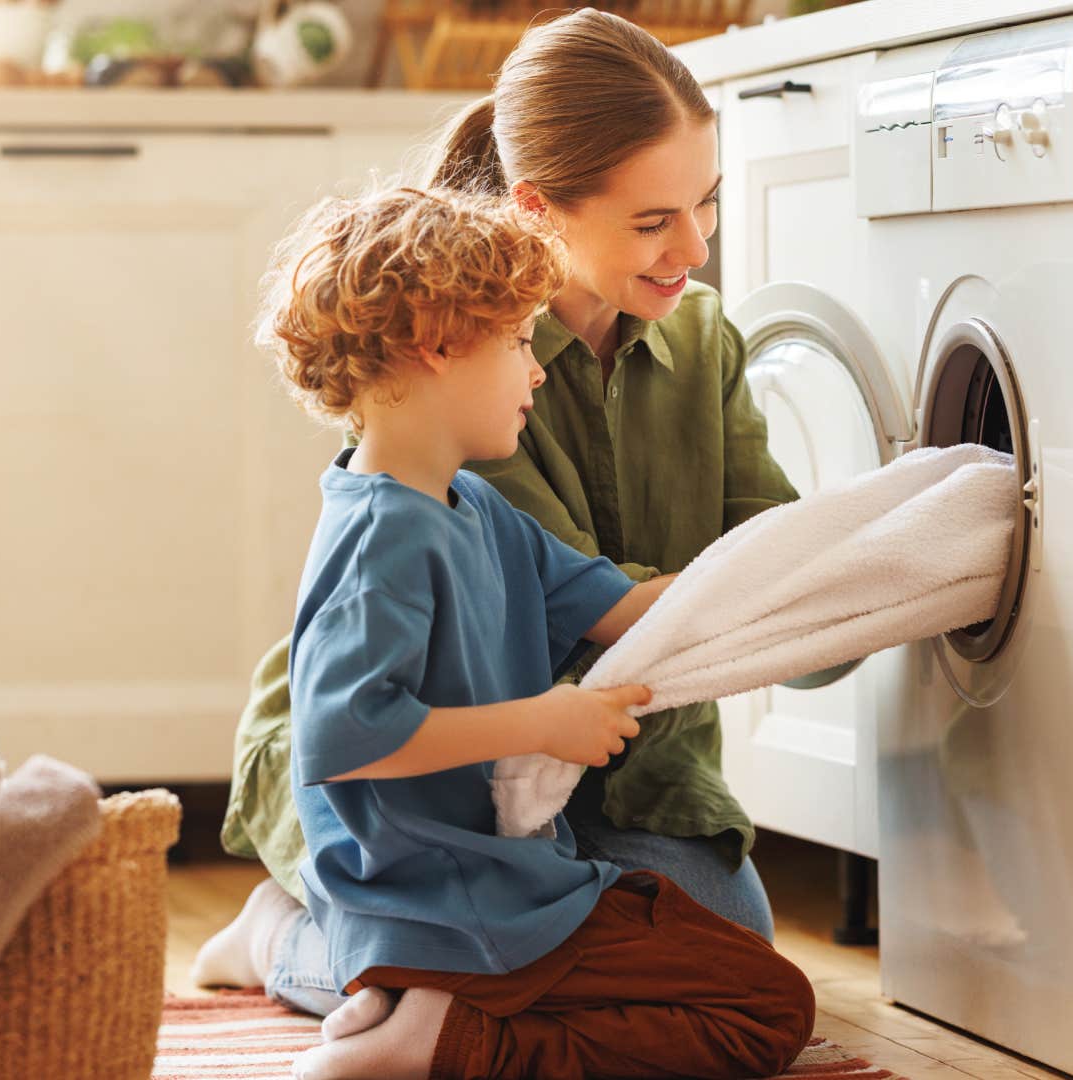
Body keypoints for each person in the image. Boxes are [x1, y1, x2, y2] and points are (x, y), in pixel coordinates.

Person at [200, 5, 799, 1018]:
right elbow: (372, 717)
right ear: (538, 209)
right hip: (418, 772)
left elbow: (714, 581)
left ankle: (468, 941)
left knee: (719, 947)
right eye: (652, 220)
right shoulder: (460, 380)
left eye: (707, 202)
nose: (694, 245)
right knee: (477, 970)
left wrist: (865, 576)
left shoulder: (701, 343)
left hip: (604, 759)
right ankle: (283, 936)